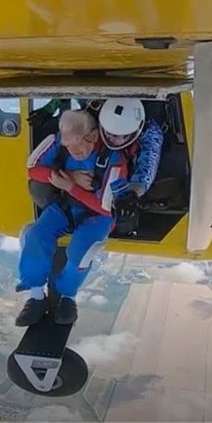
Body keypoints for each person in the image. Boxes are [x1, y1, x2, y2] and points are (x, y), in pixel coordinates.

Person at [16, 109, 131, 326]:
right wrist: (70, 179)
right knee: (35, 236)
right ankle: (36, 295)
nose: (74, 151)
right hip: (66, 207)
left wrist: (69, 186)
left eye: (79, 144)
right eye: (68, 145)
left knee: (81, 252)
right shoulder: (59, 142)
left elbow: (107, 209)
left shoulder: (114, 160)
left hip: (97, 215)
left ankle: (68, 296)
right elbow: (32, 169)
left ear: (94, 136)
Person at [97, 98, 165, 227]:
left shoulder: (151, 135)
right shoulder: (105, 117)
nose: (110, 139)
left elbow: (147, 168)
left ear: (132, 133)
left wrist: (131, 196)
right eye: (108, 133)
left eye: (116, 136)